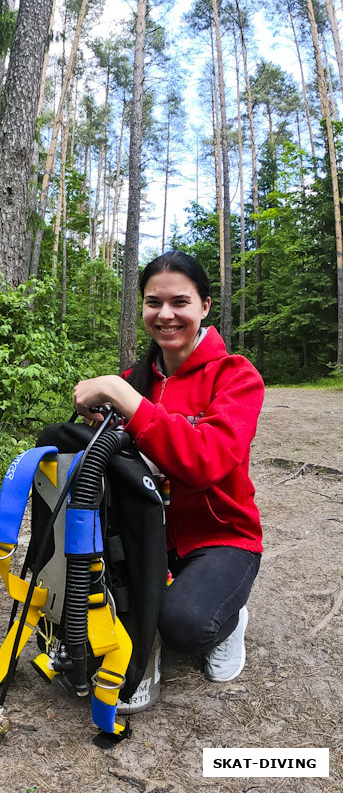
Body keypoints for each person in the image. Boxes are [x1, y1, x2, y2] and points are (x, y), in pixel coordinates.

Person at [72, 250, 264, 691]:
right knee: (98, 602)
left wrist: (127, 401)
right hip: (147, 534)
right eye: (153, 303)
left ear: (205, 307)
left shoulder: (236, 377)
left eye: (180, 302)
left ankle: (229, 620)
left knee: (183, 626)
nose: (166, 315)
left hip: (221, 538)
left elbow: (206, 460)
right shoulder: (134, 381)